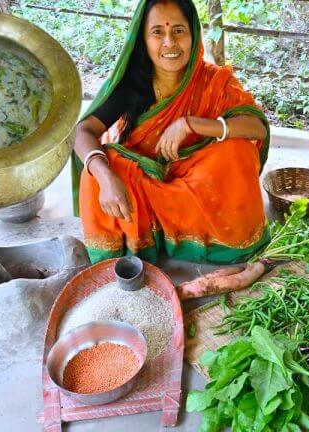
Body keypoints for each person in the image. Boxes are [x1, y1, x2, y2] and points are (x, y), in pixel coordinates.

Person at [72, 0, 270, 264]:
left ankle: (212, 243)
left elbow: (256, 128)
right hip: (143, 187)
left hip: (194, 185)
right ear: (143, 39)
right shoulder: (131, 84)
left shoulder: (213, 81)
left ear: (193, 34)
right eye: (157, 32)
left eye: (178, 30)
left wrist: (192, 124)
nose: (169, 42)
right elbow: (83, 131)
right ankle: (138, 243)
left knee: (237, 151)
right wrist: (106, 177)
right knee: (98, 169)